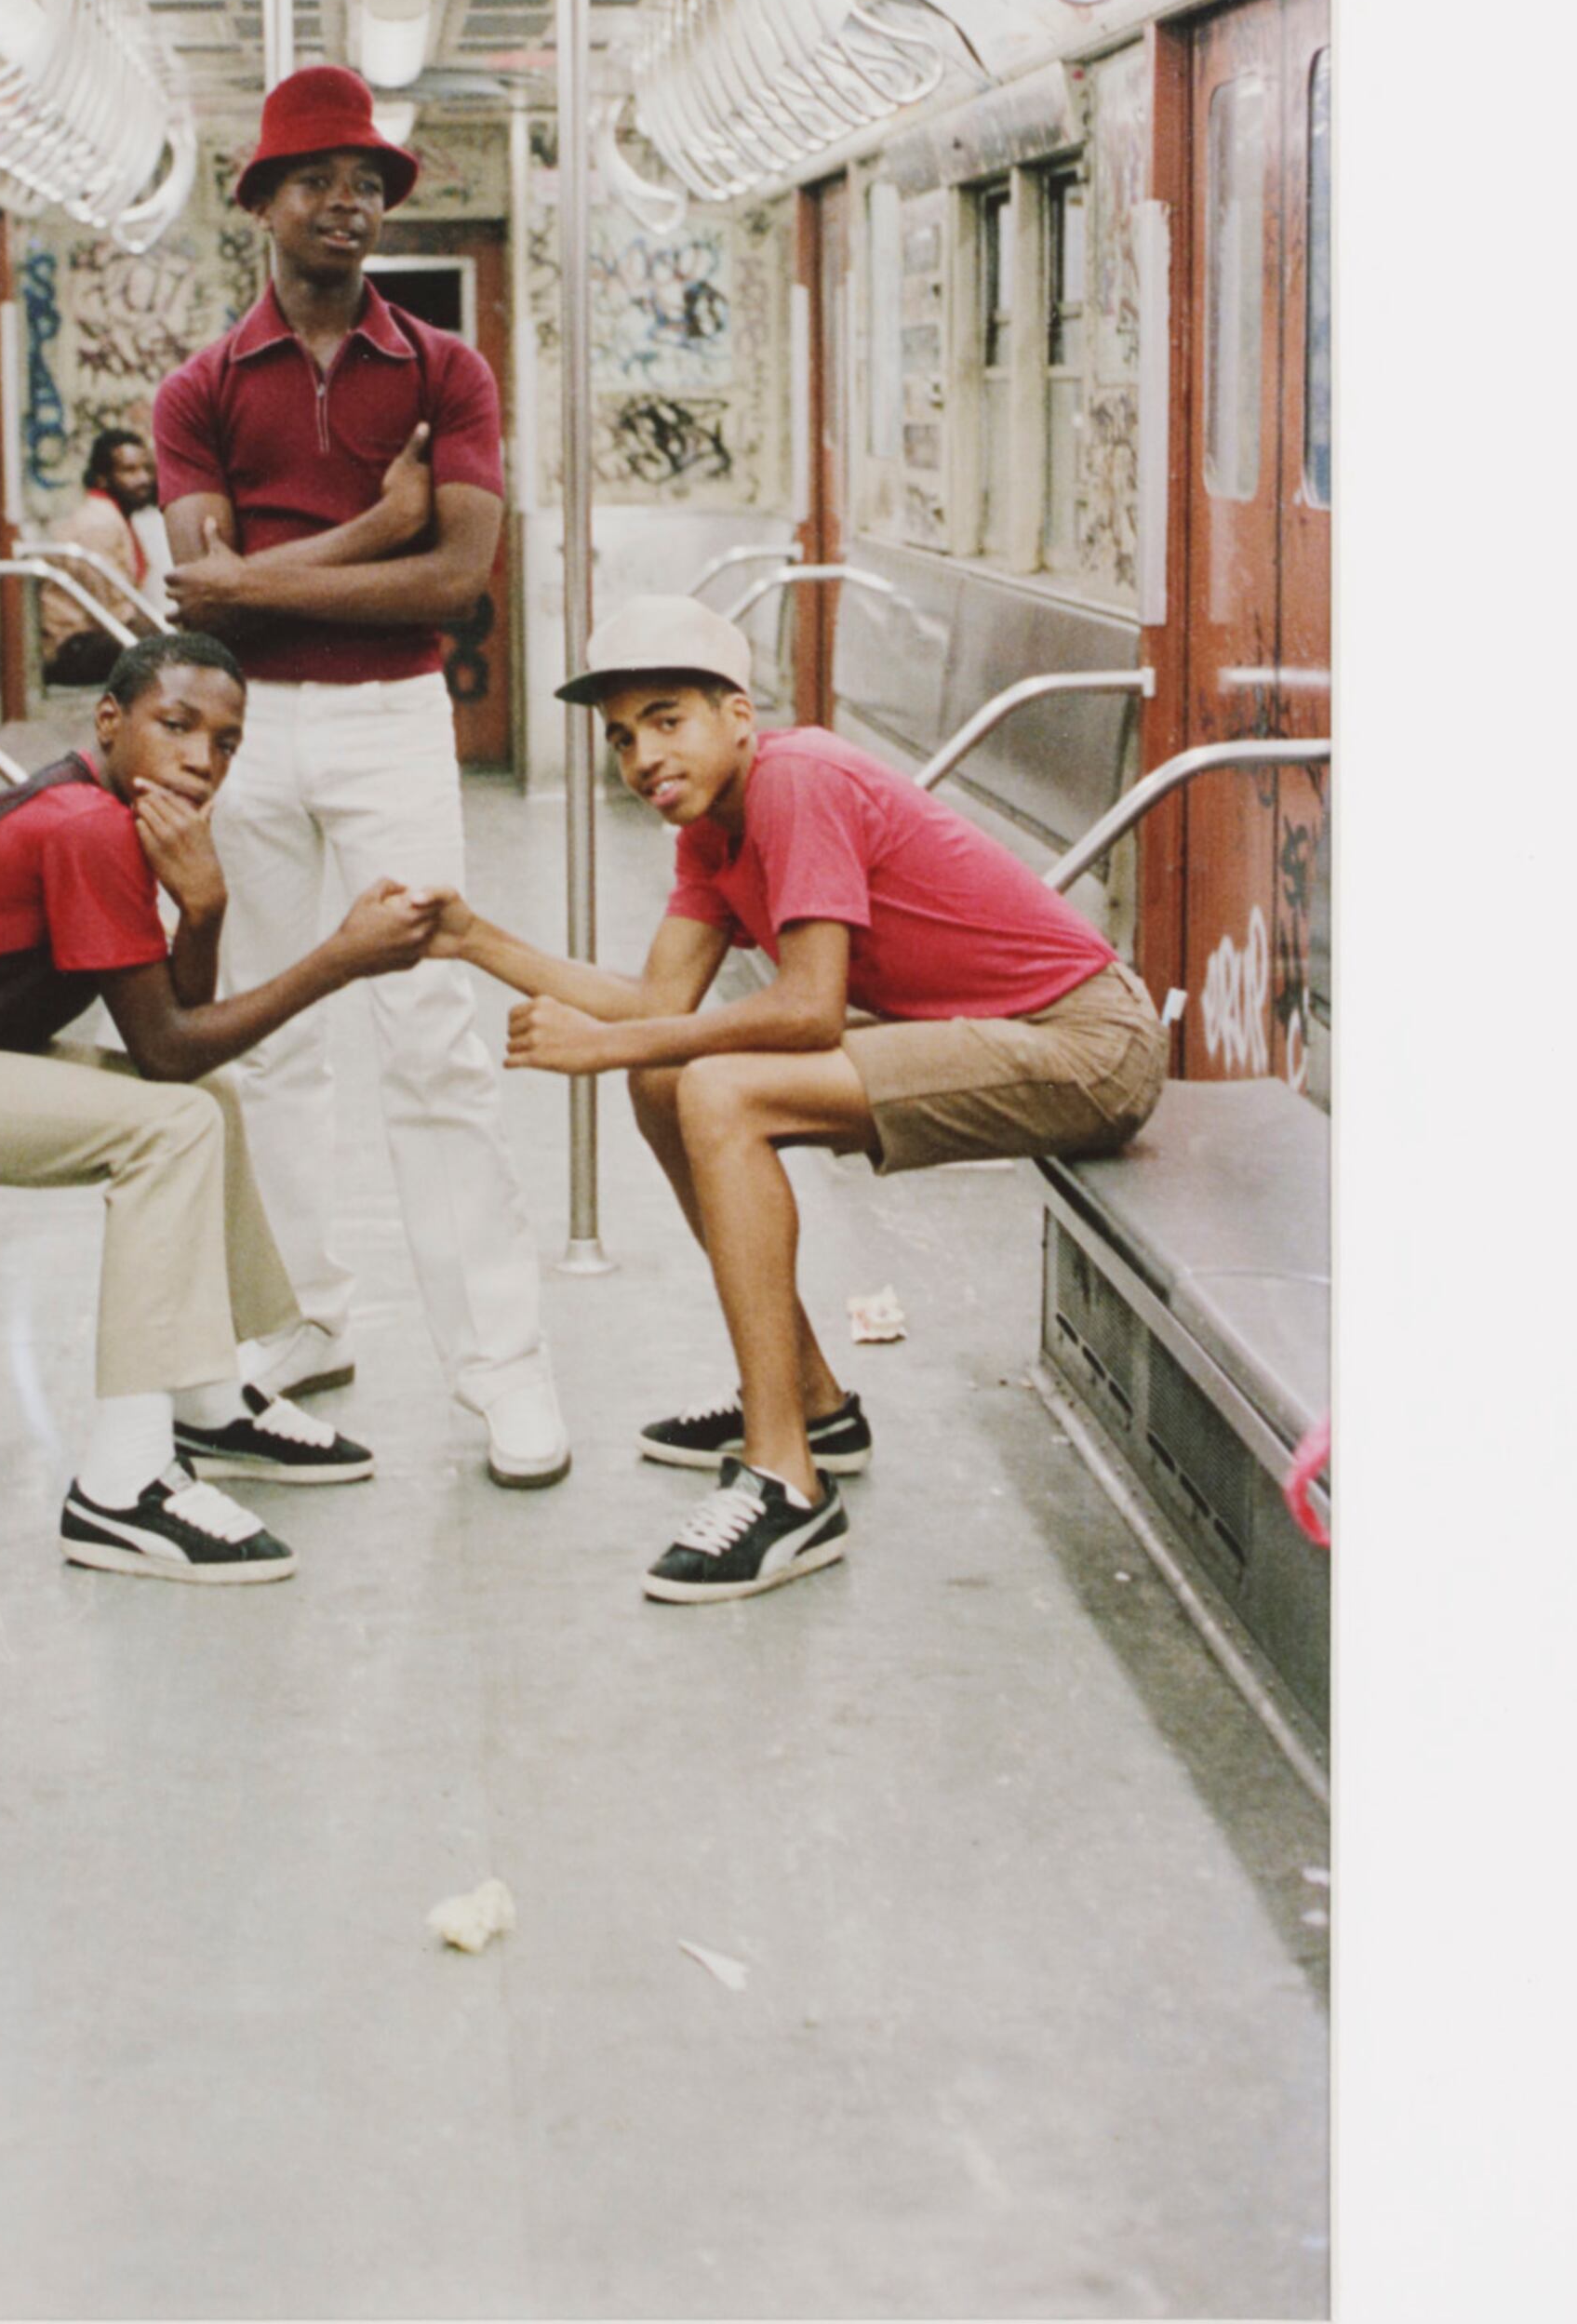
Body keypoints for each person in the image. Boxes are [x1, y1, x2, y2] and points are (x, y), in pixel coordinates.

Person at [428, 594, 1167, 1607]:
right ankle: (812, 1403)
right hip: (998, 1034)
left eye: (667, 719)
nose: (643, 756)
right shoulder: (710, 828)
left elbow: (810, 1010)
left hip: (1089, 1044)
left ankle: (786, 1481)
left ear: (739, 715)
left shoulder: (796, 781)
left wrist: (611, 1043)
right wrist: (474, 939)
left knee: (716, 1089)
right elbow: (654, 1009)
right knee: (665, 1075)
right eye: (621, 736)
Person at [0, 627, 439, 1583]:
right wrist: (340, 957)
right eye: (176, 724)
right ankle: (120, 1488)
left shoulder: (116, 812)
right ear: (111, 719)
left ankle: (207, 1403)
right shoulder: (87, 827)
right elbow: (163, 1049)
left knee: (209, 1099)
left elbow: (179, 1040)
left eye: (227, 742)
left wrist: (204, 912)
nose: (201, 759)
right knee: (174, 1124)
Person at [149, 65, 569, 1489]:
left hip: (394, 722)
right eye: (320, 176)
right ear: (261, 201)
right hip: (245, 733)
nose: (352, 202)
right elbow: (205, 618)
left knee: (434, 1035)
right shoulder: (198, 389)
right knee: (271, 1038)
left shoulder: (447, 369)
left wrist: (274, 577)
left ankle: (500, 1367)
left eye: (372, 181)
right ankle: (304, 1318)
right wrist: (368, 533)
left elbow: (458, 579)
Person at [43, 427, 171, 685]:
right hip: (72, 648)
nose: (144, 479)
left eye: (147, 469)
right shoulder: (99, 523)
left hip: (96, 638)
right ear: (102, 477)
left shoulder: (114, 515)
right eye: (129, 471)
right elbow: (112, 607)